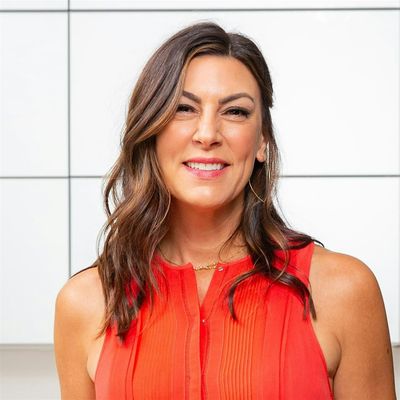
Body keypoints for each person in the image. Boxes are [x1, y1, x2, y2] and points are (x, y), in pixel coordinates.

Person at [54, 22, 396, 399]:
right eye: (183, 108)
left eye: (234, 111)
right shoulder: (86, 303)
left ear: (262, 140)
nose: (207, 134)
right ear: (151, 130)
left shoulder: (344, 291)